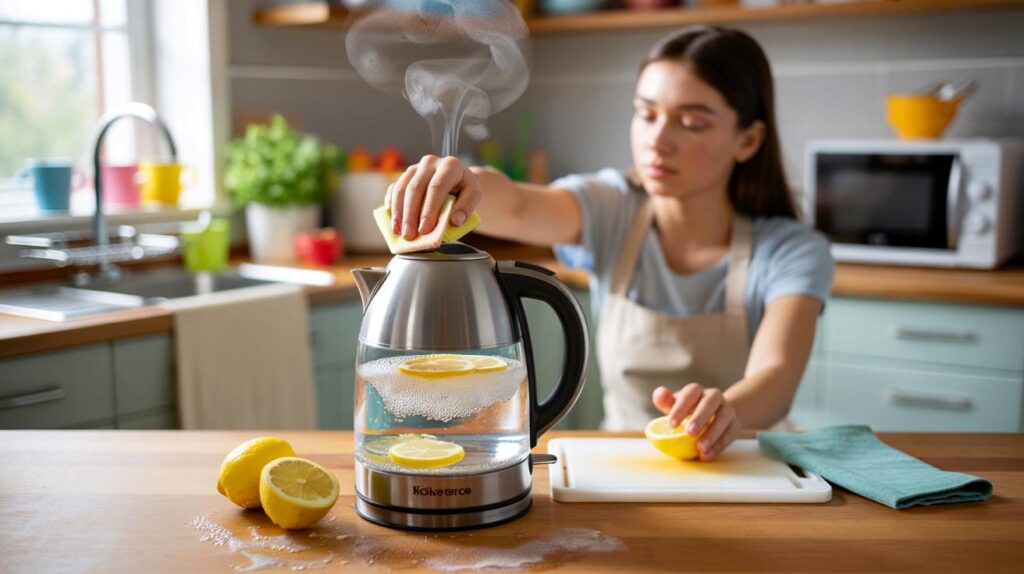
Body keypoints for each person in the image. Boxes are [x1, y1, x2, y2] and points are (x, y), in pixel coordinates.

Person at [383, 26, 834, 460]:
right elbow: (518, 205)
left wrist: (728, 412)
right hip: (622, 465)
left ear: (748, 140)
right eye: (647, 113)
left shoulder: (791, 250)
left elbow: (777, 377)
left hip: (746, 467)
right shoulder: (611, 207)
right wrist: (464, 180)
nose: (659, 140)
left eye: (692, 123)